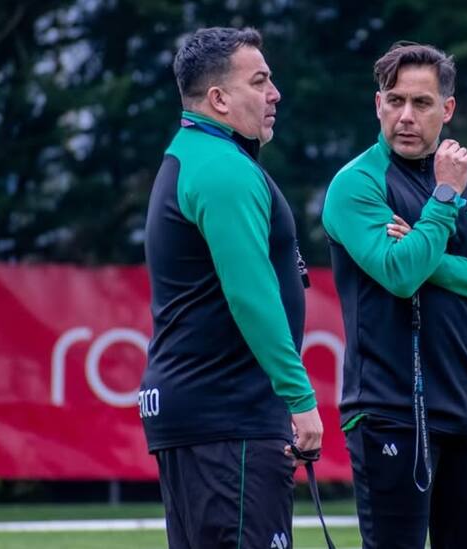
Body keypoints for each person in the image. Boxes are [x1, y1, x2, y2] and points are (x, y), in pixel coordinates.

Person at [322, 41, 467, 548]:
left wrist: (427, 256)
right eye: (395, 101)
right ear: (378, 104)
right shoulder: (356, 184)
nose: (406, 116)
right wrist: (442, 199)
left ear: (448, 109)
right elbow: (399, 274)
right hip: (389, 411)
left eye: (421, 103)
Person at [140, 26, 323, 549]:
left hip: (206, 416)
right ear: (218, 99)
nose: (275, 94)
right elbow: (251, 294)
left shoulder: (195, 155)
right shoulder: (223, 169)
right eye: (260, 82)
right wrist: (299, 397)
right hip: (229, 419)